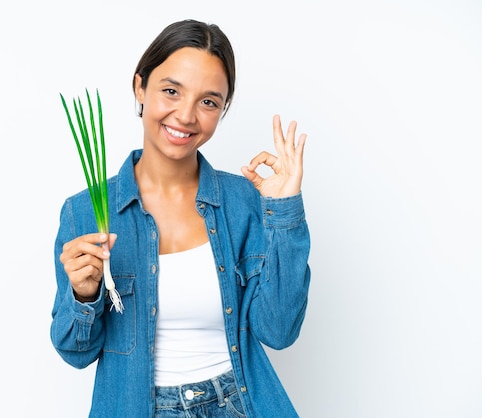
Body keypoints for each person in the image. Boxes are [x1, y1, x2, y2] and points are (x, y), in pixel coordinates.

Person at [50, 19, 311, 418]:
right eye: (171, 91)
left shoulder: (244, 201)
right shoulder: (84, 212)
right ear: (140, 87)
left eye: (208, 101)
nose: (186, 115)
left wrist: (284, 213)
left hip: (240, 404)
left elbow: (278, 331)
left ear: (222, 110)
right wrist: (85, 296)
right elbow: (74, 352)